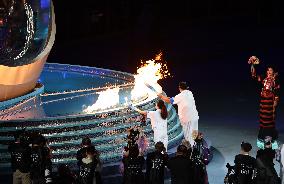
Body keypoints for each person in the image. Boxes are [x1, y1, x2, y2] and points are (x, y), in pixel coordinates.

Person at [248, 56, 280, 141]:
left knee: (270, 118)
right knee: (263, 117)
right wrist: (253, 65)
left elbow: (277, 90)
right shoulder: (263, 78)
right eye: (268, 70)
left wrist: (275, 101)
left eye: (271, 70)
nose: (269, 71)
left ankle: (270, 135)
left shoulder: (275, 80)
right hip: (263, 102)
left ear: (273, 72)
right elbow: (254, 76)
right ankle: (262, 134)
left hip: (270, 102)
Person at [158, 81, 199, 146]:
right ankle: (196, 146)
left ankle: (190, 149)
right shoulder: (190, 93)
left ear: (179, 88)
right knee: (194, 133)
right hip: (194, 117)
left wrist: (161, 96)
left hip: (187, 119)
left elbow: (168, 101)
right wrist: (171, 99)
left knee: (188, 136)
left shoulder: (179, 96)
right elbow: (176, 99)